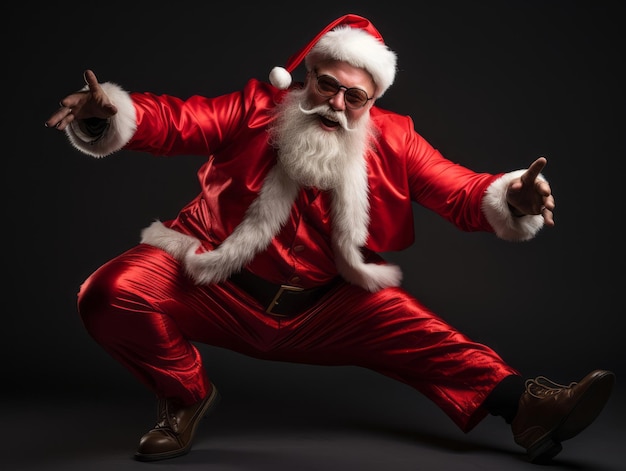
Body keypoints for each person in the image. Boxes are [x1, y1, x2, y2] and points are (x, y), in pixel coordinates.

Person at [45, 13, 614, 465]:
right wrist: (108, 114)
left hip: (324, 307)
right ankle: (184, 398)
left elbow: (461, 192)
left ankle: (531, 409)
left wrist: (510, 195)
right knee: (112, 291)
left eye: (355, 97)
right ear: (306, 77)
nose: (336, 105)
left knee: (424, 332)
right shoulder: (254, 110)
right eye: (327, 85)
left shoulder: (395, 142)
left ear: (372, 104)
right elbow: (175, 121)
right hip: (212, 280)